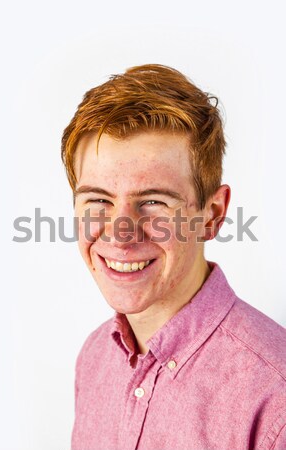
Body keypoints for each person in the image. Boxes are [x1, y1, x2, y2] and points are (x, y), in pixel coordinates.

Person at [61, 64, 286, 450]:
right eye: (98, 199)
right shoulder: (94, 357)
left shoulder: (274, 394)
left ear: (211, 215)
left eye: (153, 201)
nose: (119, 232)